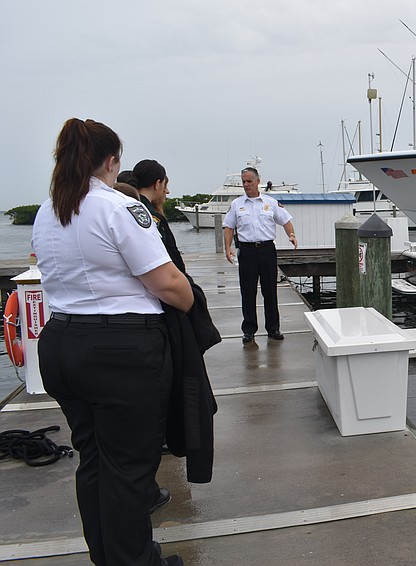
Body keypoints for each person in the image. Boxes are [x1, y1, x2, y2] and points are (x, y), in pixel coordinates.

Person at [33, 118, 192, 566]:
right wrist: (188, 300)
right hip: (119, 353)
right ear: (110, 161)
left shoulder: (50, 210)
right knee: (129, 467)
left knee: (95, 460)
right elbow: (167, 283)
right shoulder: (118, 208)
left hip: (61, 343)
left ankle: (109, 556)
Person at [223, 166, 297, 343]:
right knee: (247, 292)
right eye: (243, 182)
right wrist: (227, 248)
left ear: (258, 181)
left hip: (266, 250)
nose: (246, 185)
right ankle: (249, 330)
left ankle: (273, 328)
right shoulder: (237, 205)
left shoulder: (270, 203)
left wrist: (291, 235)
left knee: (270, 290)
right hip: (247, 251)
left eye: (249, 181)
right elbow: (229, 227)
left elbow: (285, 220)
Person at [132, 160, 185, 273]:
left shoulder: (128, 208)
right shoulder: (153, 218)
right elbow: (170, 254)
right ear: (157, 184)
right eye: (164, 184)